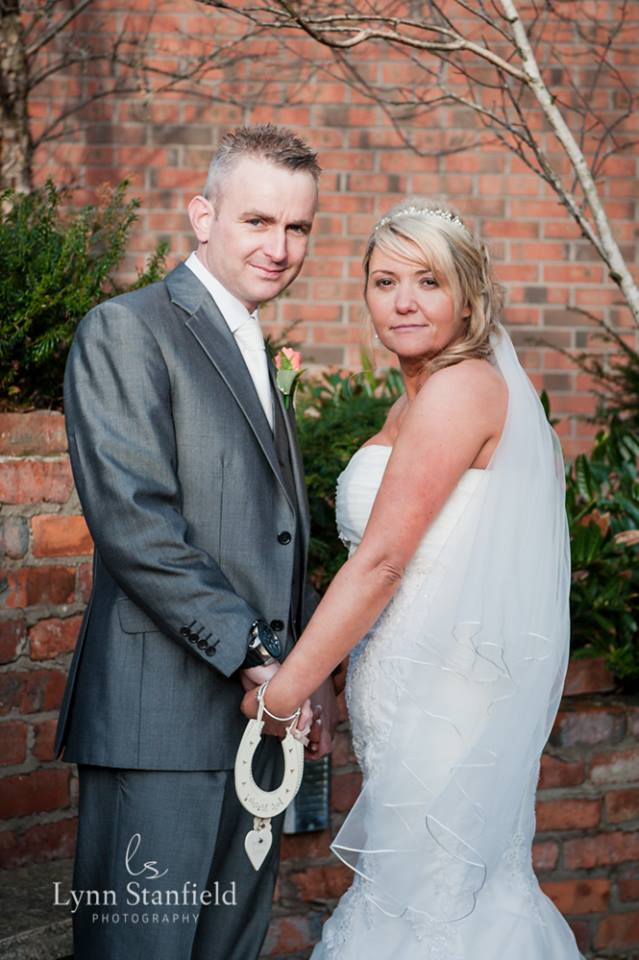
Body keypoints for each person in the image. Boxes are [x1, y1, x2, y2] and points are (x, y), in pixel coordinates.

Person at [242, 200, 584, 958]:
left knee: (439, 904)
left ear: (467, 296)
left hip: (445, 706)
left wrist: (283, 693)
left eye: (428, 281)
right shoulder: (417, 397)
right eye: (384, 281)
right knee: (419, 896)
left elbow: (382, 562)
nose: (402, 302)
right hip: (402, 701)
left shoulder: (461, 389)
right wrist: (332, 683)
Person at [54, 124, 337, 960]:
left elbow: (274, 534)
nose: (279, 248)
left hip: (259, 722)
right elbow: (136, 524)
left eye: (297, 227)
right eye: (258, 221)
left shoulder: (253, 343)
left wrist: (307, 670)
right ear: (202, 215)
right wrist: (258, 658)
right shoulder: (127, 329)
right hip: (160, 723)